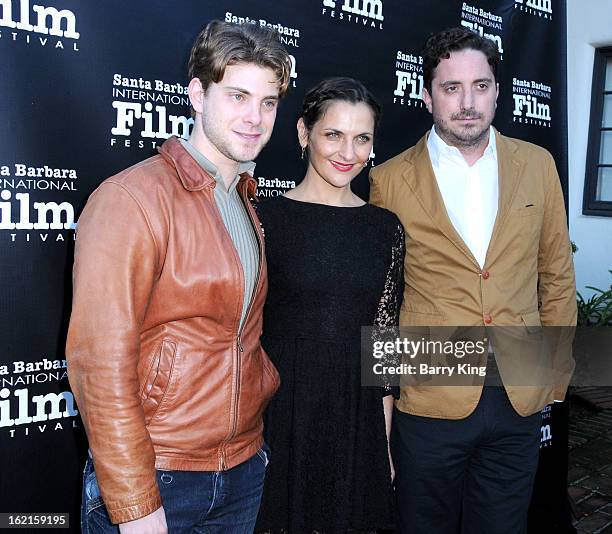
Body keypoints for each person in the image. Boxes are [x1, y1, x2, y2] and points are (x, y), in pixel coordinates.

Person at [66, 20, 292, 533]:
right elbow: (98, 367)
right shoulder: (132, 200)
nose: (254, 118)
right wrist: (135, 504)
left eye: (268, 102)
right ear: (197, 93)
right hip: (161, 475)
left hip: (241, 469)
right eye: (237, 96)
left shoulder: (242, 199)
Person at [370, 27, 576, 534]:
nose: (467, 103)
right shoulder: (389, 180)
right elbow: (379, 299)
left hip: (518, 395)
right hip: (429, 396)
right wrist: (385, 401)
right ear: (426, 95)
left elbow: (556, 274)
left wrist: (554, 374)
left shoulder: (538, 165)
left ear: (498, 91)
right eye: (451, 87)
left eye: (480, 86)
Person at [255, 77, 403, 533]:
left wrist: (384, 444)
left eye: (362, 138)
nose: (348, 152)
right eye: (333, 134)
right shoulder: (264, 219)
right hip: (280, 413)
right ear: (304, 133)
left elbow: (383, 346)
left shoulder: (385, 228)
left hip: (355, 418)